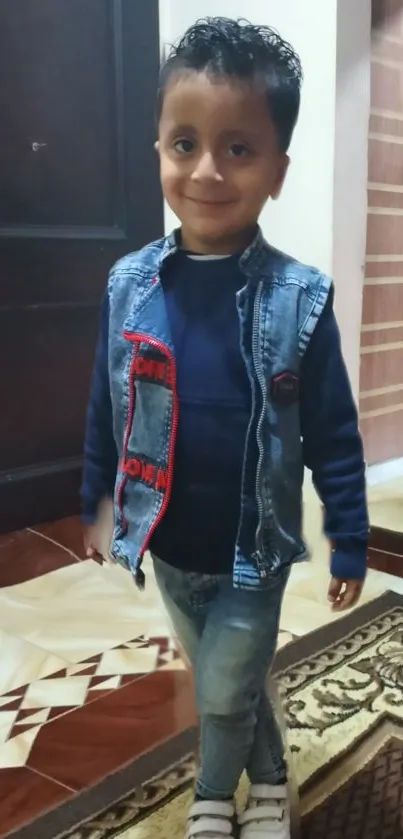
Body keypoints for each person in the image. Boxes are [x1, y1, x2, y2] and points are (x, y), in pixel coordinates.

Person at [81, 17, 369, 839]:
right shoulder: (127, 285)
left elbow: (333, 434)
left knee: (219, 691)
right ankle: (273, 775)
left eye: (238, 149)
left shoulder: (300, 301)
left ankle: (214, 798)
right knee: (230, 682)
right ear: (158, 151)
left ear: (277, 171)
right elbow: (105, 402)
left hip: (255, 547)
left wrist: (348, 535)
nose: (206, 170)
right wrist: (95, 495)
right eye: (184, 143)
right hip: (168, 542)